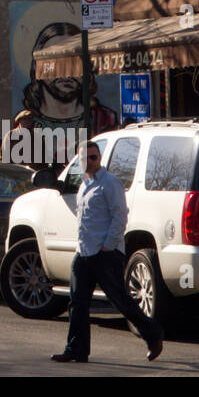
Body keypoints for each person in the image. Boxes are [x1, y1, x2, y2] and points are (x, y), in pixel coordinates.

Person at [52, 141, 163, 364]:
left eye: (93, 157)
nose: (90, 162)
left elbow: (120, 216)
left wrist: (108, 246)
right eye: (85, 158)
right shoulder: (84, 184)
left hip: (105, 253)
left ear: (99, 158)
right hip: (83, 251)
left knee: (119, 300)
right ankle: (76, 349)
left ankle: (152, 334)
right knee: (77, 303)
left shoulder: (110, 183)